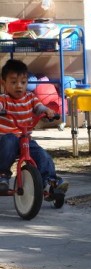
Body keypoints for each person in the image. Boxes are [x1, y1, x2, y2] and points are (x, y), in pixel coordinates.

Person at [0, 59, 68, 197]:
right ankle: (2, 175)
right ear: (3, 83)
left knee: (42, 155)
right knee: (9, 141)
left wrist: (47, 111)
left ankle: (50, 181)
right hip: (6, 139)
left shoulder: (30, 97)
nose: (19, 86)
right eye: (13, 82)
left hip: (25, 140)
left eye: (23, 82)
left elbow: (39, 107)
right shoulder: (4, 99)